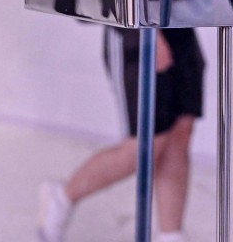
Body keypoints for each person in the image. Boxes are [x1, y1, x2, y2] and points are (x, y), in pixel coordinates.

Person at [38, 26, 203, 242]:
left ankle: (170, 235)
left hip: (181, 22)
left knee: (180, 133)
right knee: (142, 149)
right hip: (137, 30)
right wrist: (148, 35)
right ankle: (61, 197)